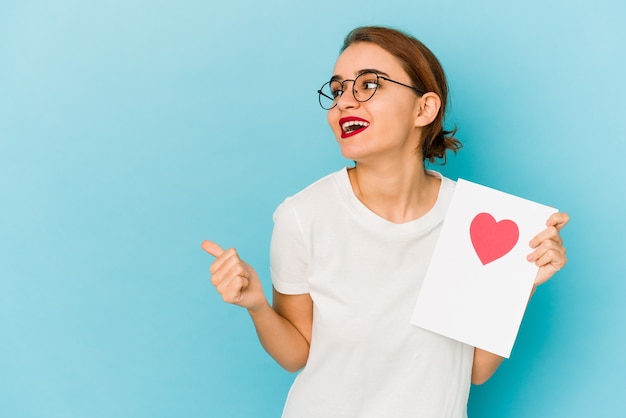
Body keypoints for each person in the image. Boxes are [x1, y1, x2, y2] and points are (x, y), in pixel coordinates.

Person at [202, 26, 569, 418]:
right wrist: (256, 305)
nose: (344, 101)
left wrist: (521, 281)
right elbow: (296, 355)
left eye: (368, 84)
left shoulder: (476, 221)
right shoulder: (302, 216)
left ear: (424, 109)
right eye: (338, 89)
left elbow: (473, 371)